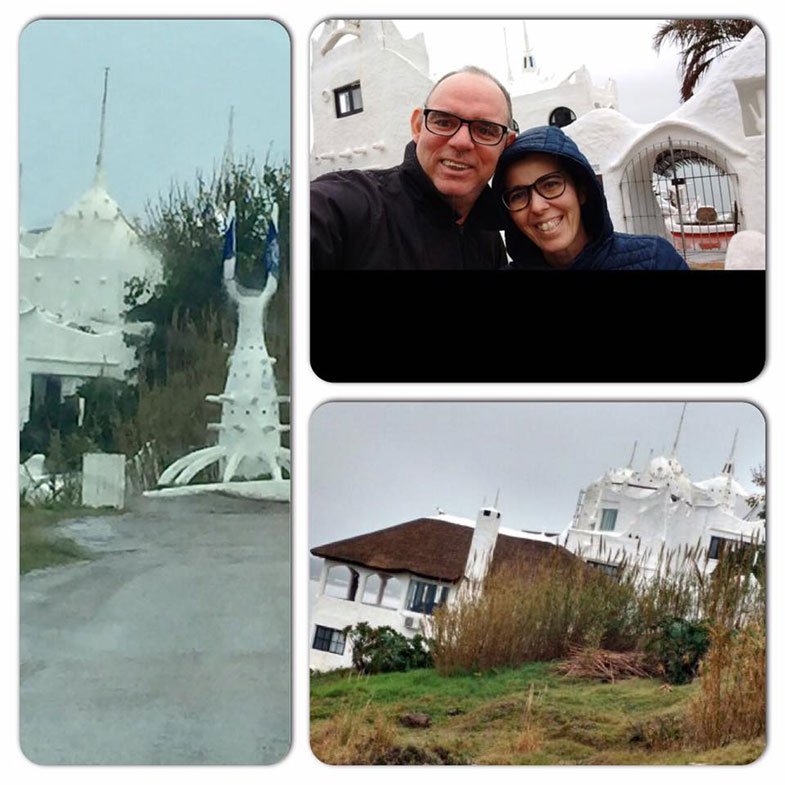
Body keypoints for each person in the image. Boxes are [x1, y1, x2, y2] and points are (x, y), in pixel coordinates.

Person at [311, 66, 518, 270]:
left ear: (506, 145)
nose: (461, 142)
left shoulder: (489, 239)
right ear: (418, 127)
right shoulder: (353, 209)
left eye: (485, 130)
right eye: (444, 122)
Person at [493, 125, 689, 270]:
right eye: (518, 195)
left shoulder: (656, 261)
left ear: (581, 191)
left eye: (551, 185)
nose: (537, 206)